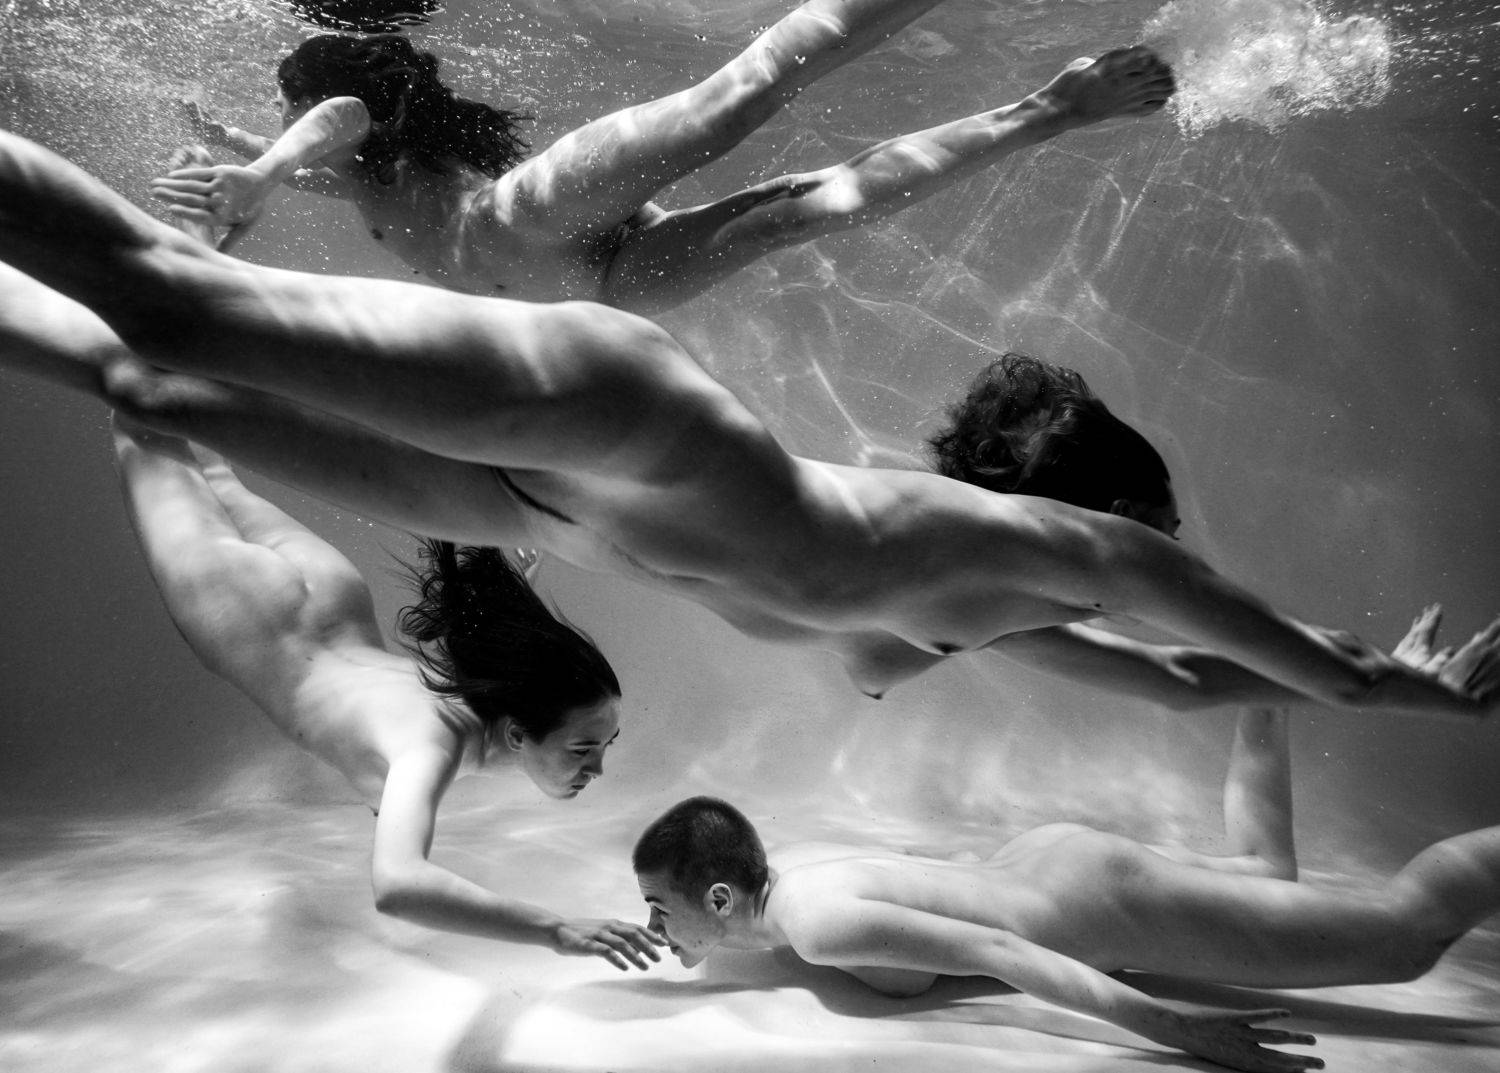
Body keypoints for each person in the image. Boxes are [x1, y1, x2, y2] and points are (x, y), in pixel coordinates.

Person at [0, 127, 1497, 724]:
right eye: (1160, 527)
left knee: (149, 387)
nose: (1169, 554)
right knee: (172, 304)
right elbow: (1271, 648)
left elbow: (1181, 685)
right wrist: (1408, 688)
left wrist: (1352, 684)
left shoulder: (974, 609)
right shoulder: (1074, 550)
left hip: (556, 511)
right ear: (1115, 511)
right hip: (632, 428)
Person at [40, 410, 662, 970]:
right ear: (519, 733)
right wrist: (555, 930)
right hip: (243, 615)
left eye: (602, 745)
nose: (598, 769)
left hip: (331, 592)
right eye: (583, 749)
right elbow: (398, 885)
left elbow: (514, 647)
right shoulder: (431, 749)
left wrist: (516, 574)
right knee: (140, 420)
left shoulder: (492, 697)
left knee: (193, 446)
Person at [149, 0, 1174, 312]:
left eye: (282, 106)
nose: (281, 121)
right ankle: (1049, 111)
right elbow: (312, 154)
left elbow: (332, 118)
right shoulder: (350, 173)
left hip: (529, 217)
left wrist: (257, 172)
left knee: (739, 95)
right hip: (599, 289)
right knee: (809, 209)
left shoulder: (349, 131)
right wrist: (238, 152)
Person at [632, 707, 1500, 1073]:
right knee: (1267, 875)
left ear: (722, 898)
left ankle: (1264, 682)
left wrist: (1185, 1032)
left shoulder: (818, 926)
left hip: (1104, 906)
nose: (655, 927)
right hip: (1053, 867)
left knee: (1405, 939)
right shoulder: (791, 869)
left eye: (660, 909)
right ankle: (1258, 689)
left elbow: (1004, 950)